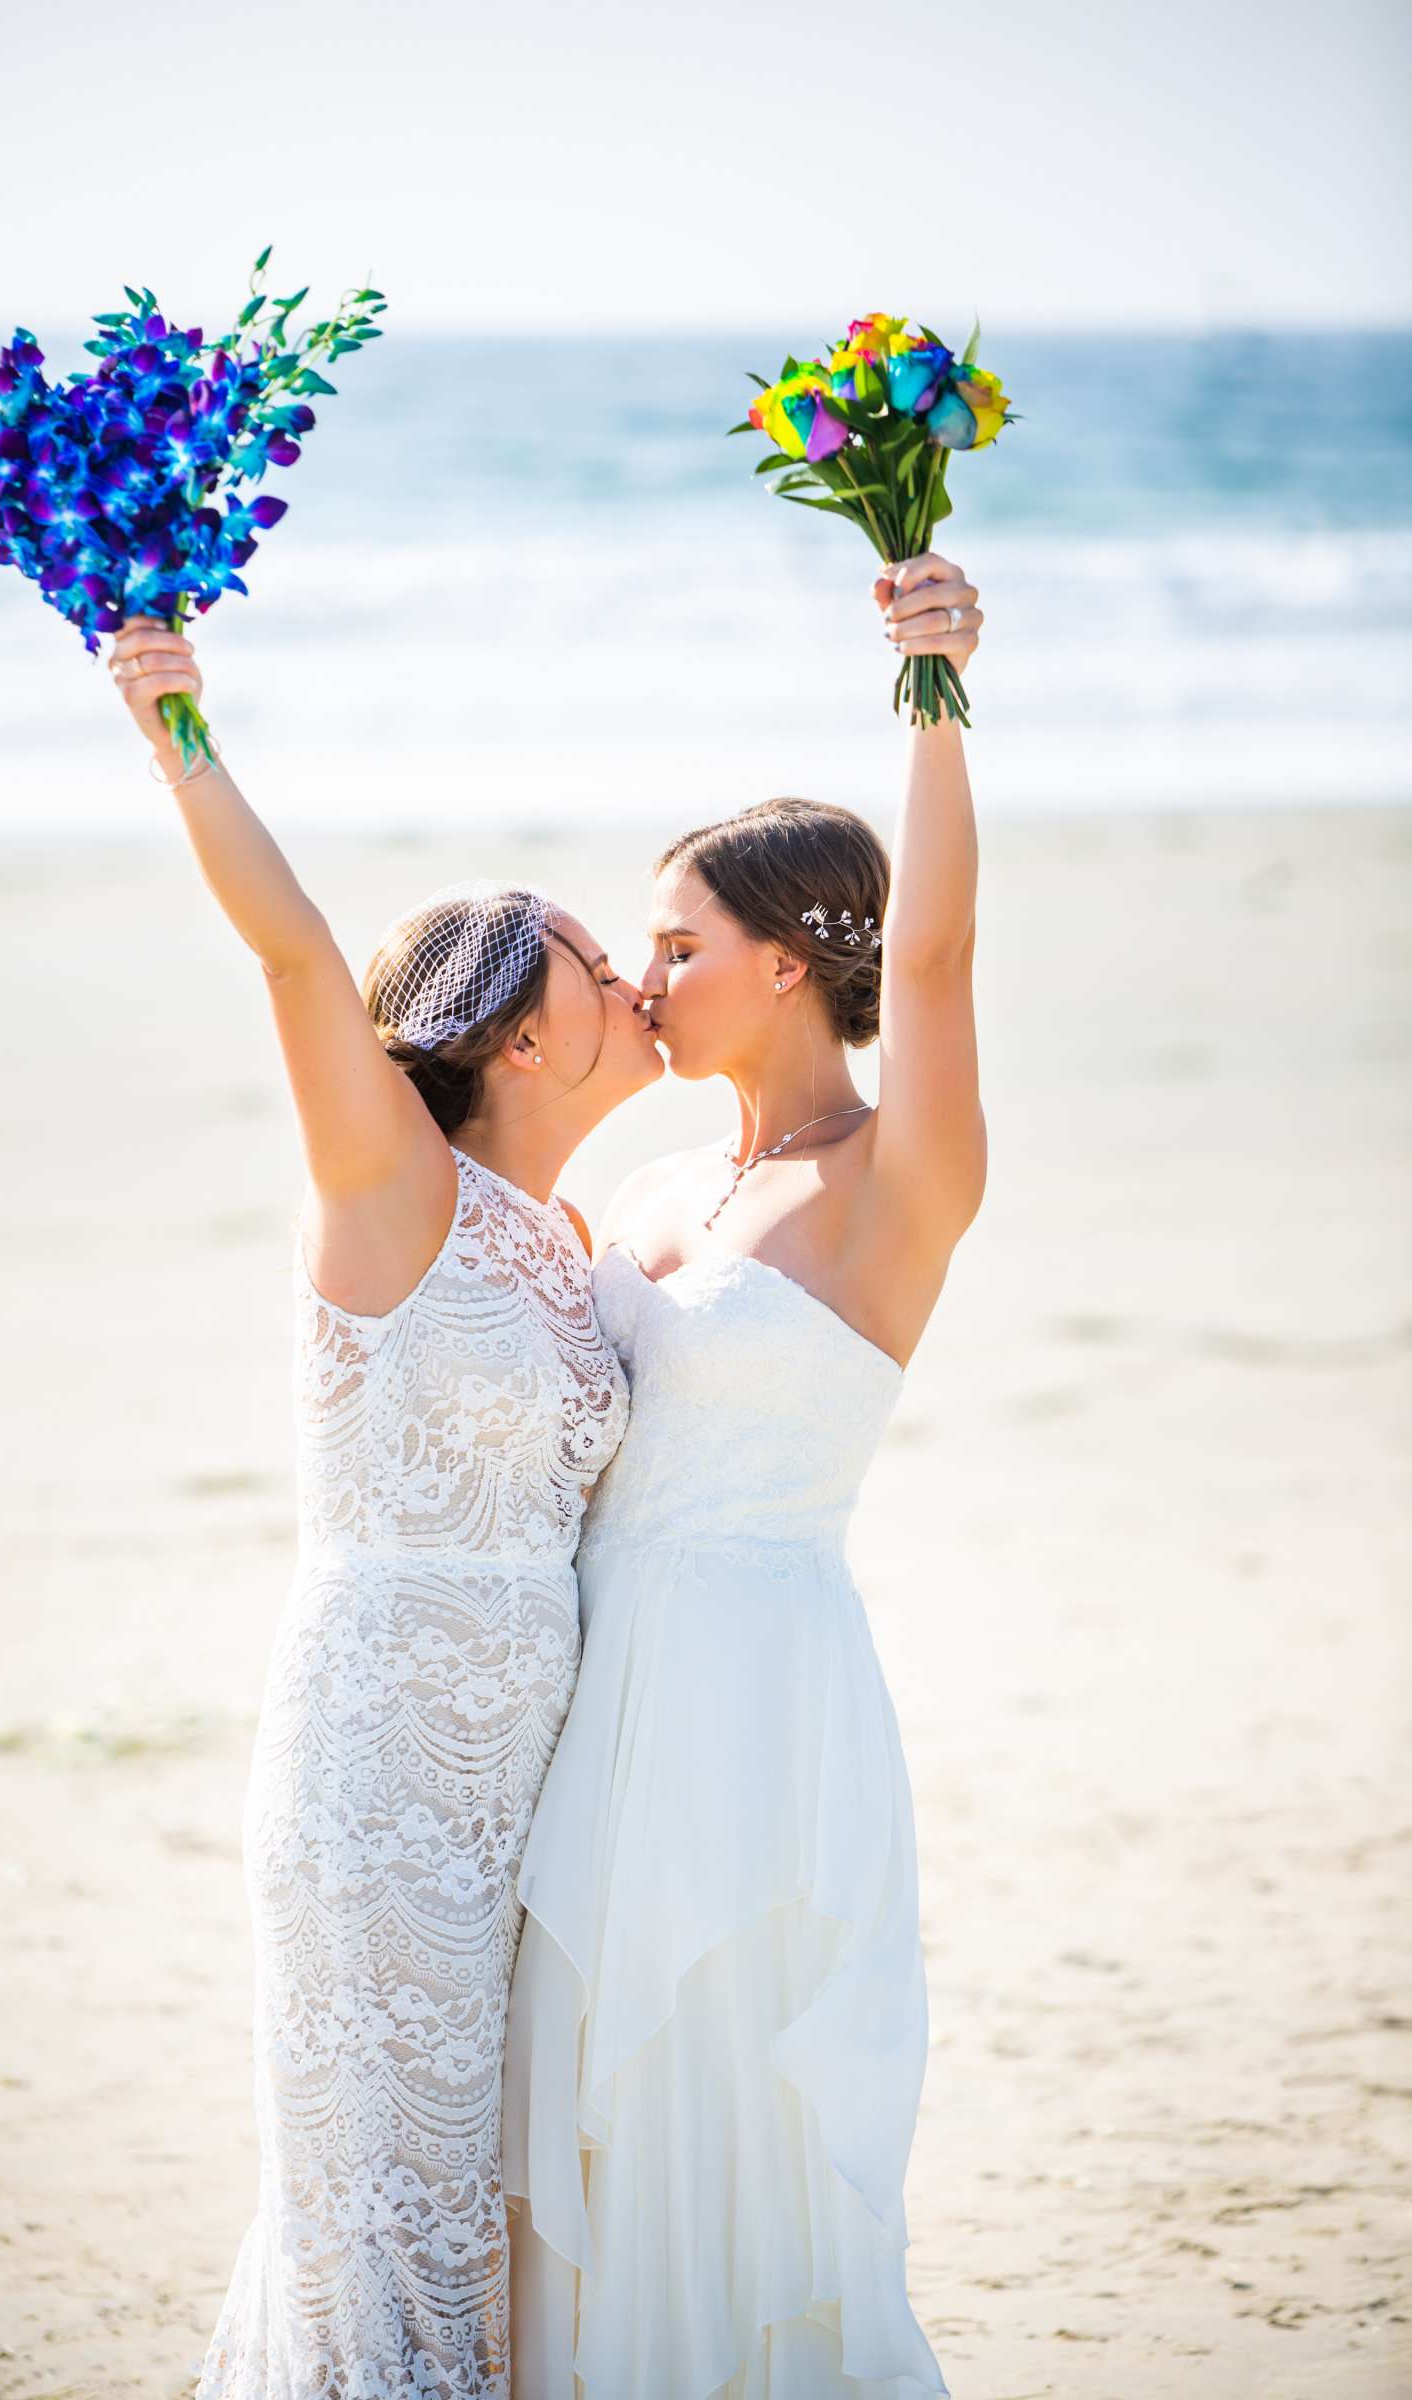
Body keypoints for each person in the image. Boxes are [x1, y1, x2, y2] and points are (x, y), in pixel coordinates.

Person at [104, 613, 663, 2398]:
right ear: (505, 1028)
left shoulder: (572, 1241)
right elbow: (290, 966)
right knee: (384, 2204)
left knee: (482, 2200)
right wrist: (177, 723)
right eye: (587, 955)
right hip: (379, 1768)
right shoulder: (391, 1186)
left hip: (523, 1786)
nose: (627, 972)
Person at [502, 553, 986, 2399]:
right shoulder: (644, 1194)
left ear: (794, 961)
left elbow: (933, 957)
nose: (646, 974)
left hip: (759, 1696)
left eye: (683, 945)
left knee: (726, 2095)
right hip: (594, 1685)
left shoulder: (891, 1184)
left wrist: (935, 692)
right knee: (589, 2113)